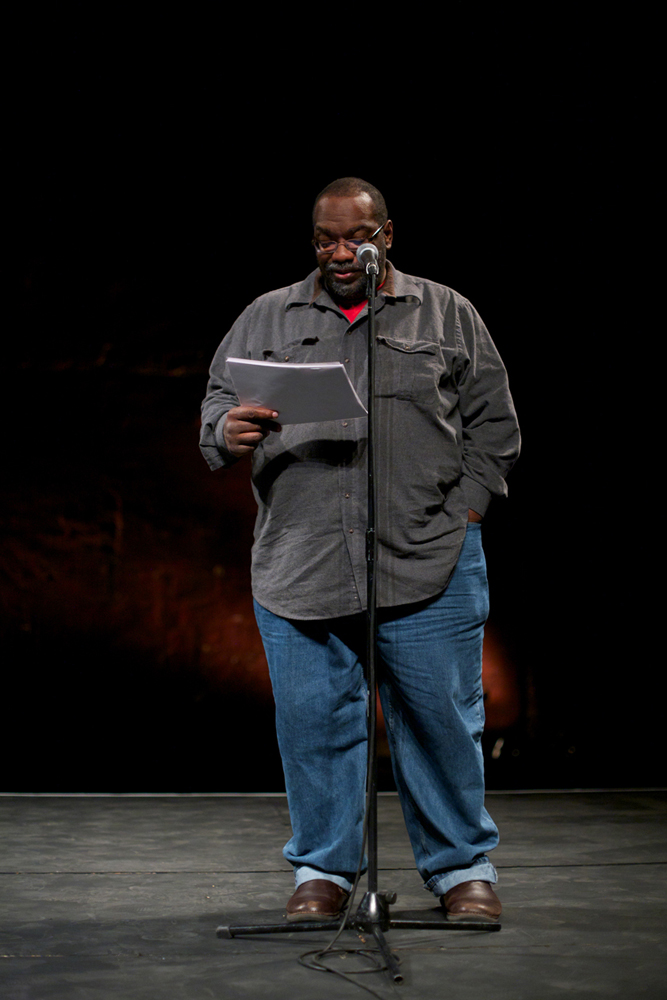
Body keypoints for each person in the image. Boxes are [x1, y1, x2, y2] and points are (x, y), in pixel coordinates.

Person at [200, 177, 520, 923]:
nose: (340, 252)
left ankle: (461, 870)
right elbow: (217, 403)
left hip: (427, 555)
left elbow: (494, 426)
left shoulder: (446, 312)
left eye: (357, 236)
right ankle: (323, 872)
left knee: (442, 721)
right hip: (301, 562)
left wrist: (466, 511)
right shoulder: (266, 315)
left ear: (387, 235)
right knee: (313, 725)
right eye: (325, 238)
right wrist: (226, 432)